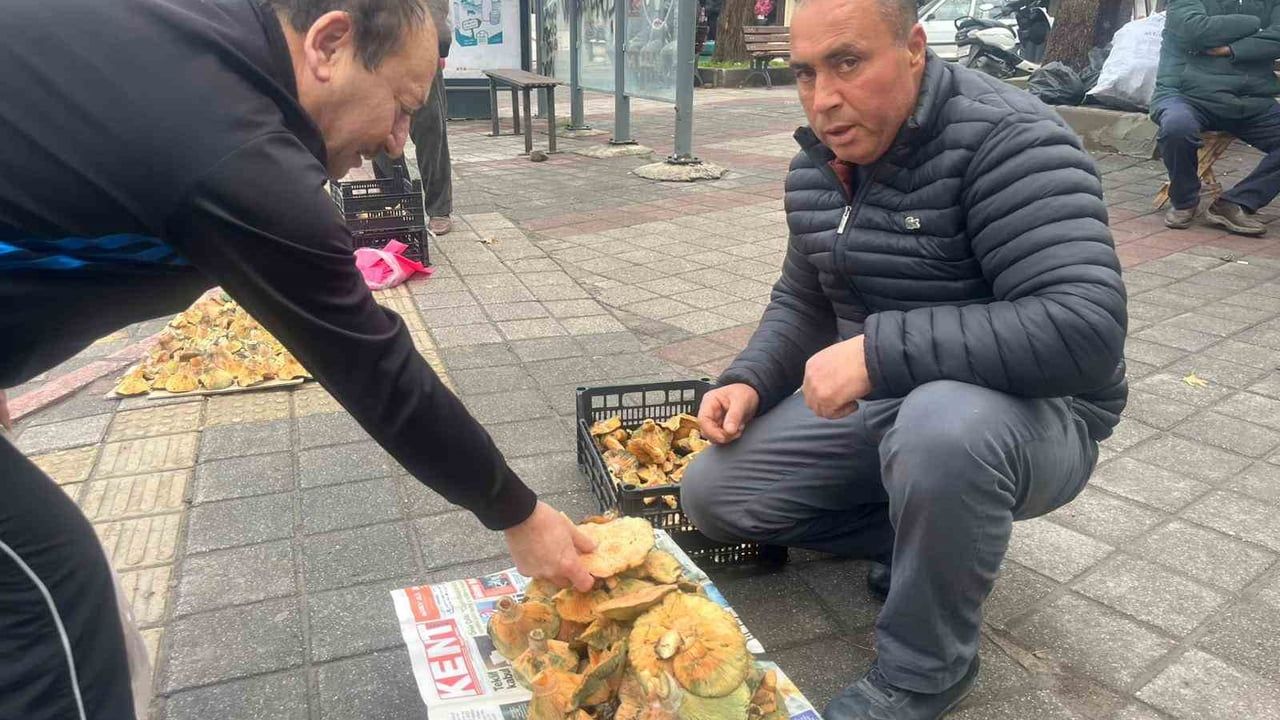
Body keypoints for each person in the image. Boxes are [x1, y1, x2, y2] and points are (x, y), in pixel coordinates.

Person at [0, 1, 593, 717]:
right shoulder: (232, 145)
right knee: (54, 602)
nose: (397, 143)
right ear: (330, 44)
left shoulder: (205, 49)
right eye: (401, 107)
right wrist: (519, 516)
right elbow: (376, 367)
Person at [678, 0, 1127, 718]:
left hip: (1039, 413)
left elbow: (1084, 329)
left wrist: (879, 353)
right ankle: (930, 540)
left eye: (848, 63)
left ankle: (927, 670)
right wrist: (749, 379)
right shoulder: (819, 165)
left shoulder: (1011, 141)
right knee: (714, 496)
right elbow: (804, 300)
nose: (824, 98)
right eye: (804, 72)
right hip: (898, 394)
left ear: (914, 49)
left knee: (942, 428)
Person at [1152, 0, 1280, 235]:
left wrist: (1231, 49)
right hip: (1186, 93)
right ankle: (1184, 199)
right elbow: (1195, 30)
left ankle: (1236, 202)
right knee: (1177, 127)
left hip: (1249, 98)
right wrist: (1255, 26)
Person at [373, 8, 455, 235]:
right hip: (376, 55)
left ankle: (439, 209)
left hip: (418, 52)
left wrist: (439, 43)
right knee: (379, 132)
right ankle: (400, 203)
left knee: (431, 133)